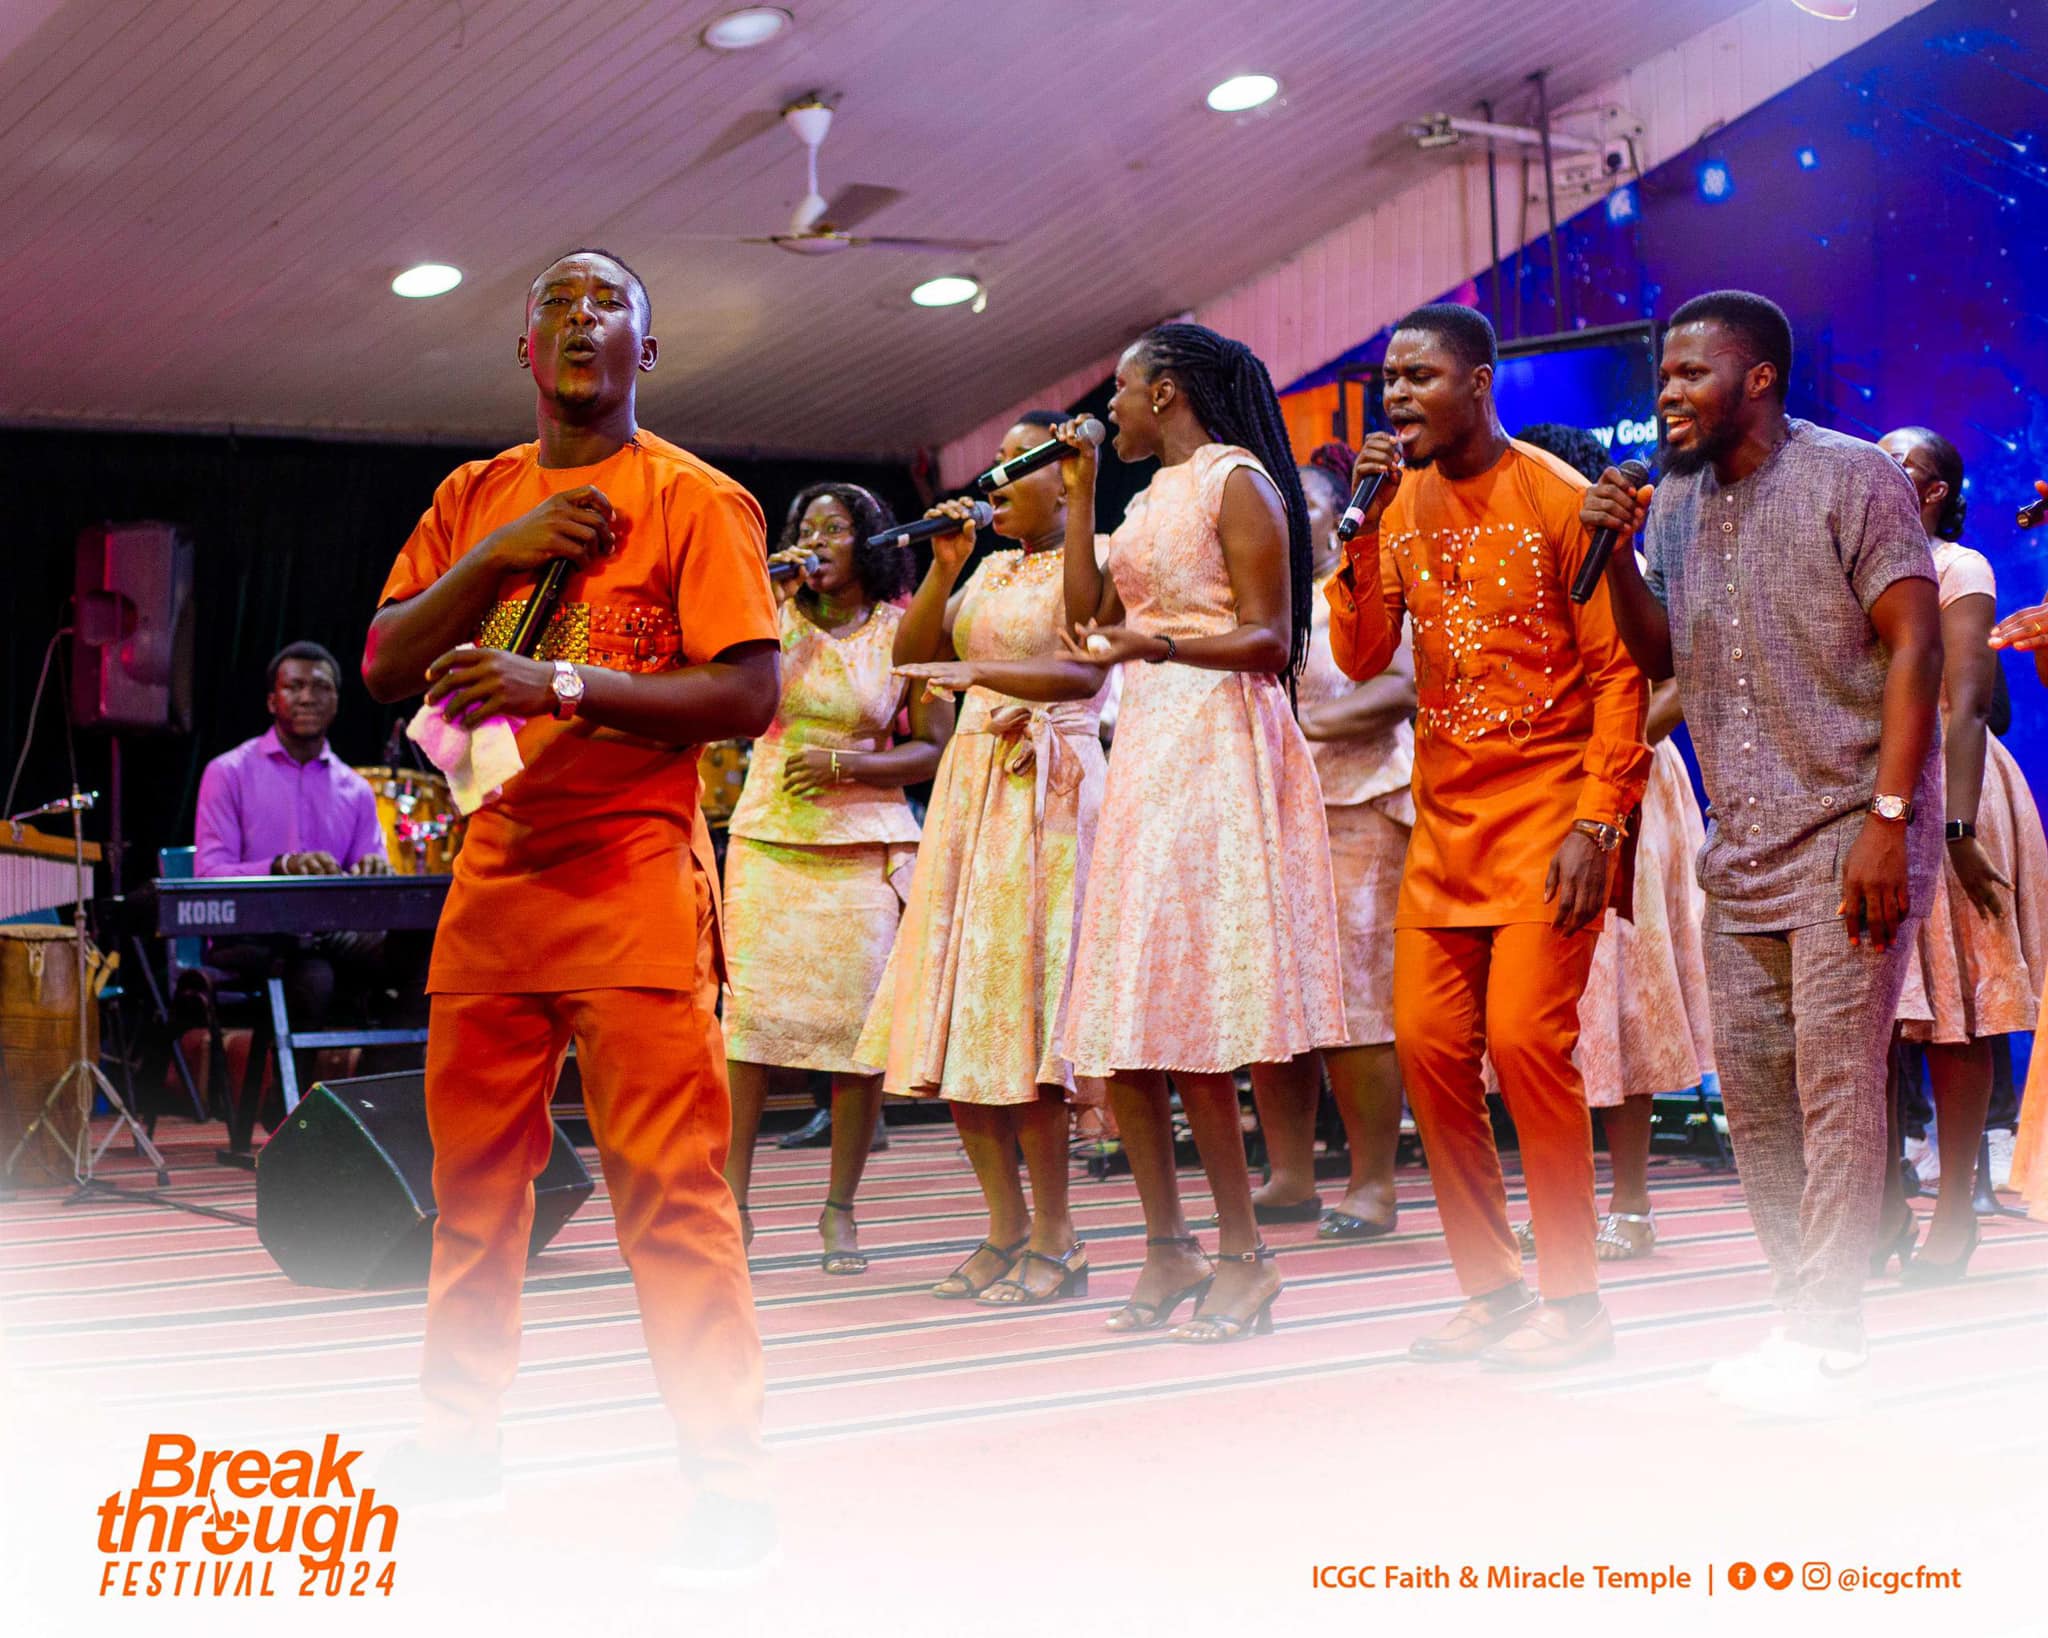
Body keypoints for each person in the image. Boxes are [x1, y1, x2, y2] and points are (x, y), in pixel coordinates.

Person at [360, 247, 783, 1580]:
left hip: (634, 877)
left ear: (645, 351)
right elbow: (384, 661)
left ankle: (728, 1480)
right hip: (495, 878)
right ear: (526, 352)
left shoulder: (695, 499)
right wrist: (500, 551)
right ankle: (457, 1439)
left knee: (671, 1195)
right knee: (473, 1192)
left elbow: (748, 695)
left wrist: (561, 685)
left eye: (610, 306)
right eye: (557, 304)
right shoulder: (471, 496)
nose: (582, 320)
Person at [1587, 289, 1942, 1416]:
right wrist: (1615, 556)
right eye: (1662, 375)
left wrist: (1889, 821)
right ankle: (1800, 1315)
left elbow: (1917, 648)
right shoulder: (1676, 501)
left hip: (1851, 830)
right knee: (1754, 1093)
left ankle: (1828, 1332)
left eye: (1691, 373)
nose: (1668, 393)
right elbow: (1659, 654)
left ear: (1758, 379)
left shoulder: (1852, 477)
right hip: (1740, 846)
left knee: (1835, 1085)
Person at [1326, 304, 1650, 1371]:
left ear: (1477, 383)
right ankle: (1494, 1291)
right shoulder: (1395, 506)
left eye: (1418, 376)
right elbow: (1361, 654)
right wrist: (1357, 533)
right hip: (1446, 829)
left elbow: (1617, 676)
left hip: (1553, 819)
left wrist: (1598, 821)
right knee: (1426, 1052)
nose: (1397, 396)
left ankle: (1575, 1303)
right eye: (1388, 379)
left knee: (1524, 1046)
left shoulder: (1556, 496)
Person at [1056, 322, 1347, 1345]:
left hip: (1220, 742)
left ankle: (1245, 1255)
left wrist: (1160, 643)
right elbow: (1084, 621)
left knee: (1193, 1014)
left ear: (1166, 391)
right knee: (1129, 1013)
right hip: (1149, 744)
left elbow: (1270, 638)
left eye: (1121, 389)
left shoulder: (1237, 480)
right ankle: (1166, 1244)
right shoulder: (1143, 498)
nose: (1109, 408)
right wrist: (1080, 495)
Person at [858, 411, 1111, 1304]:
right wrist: (944, 567)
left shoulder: (1097, 552)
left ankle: (1059, 1236)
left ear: (1060, 478)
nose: (993, 478)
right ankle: (1005, 1228)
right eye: (992, 462)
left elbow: (1087, 659)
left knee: (1024, 1021)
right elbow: (910, 660)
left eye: (1015, 462)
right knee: (963, 1014)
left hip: (1049, 790)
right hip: (972, 792)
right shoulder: (990, 567)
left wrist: (983, 677)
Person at [721, 482, 948, 1274]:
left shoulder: (904, 629)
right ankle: (732, 1204)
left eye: (835, 528)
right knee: (748, 1029)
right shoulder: (766, 617)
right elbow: (730, 708)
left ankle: (840, 1211)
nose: (816, 541)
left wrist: (849, 765)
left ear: (872, 543)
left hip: (862, 846)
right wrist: (768, 605)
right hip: (769, 840)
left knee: (858, 1036)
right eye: (805, 527)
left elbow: (933, 746)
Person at [1514, 423, 1718, 1265]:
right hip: (1532, 786)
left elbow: (1679, 677)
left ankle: (1630, 1203)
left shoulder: (1633, 554)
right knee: (1540, 1002)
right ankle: (1558, 1200)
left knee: (1621, 993)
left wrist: (1613, 753)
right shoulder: (1515, 557)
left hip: (1626, 788)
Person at [1876, 428, 2046, 1280]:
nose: (1875, 468)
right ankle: (1877, 1207)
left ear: (1935, 491)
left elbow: (1974, 710)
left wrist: (1959, 829)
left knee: (1955, 1009)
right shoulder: (1852, 566)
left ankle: (1954, 1210)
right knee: (1870, 1018)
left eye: (1897, 462)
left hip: (1951, 792)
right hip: (1869, 788)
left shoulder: (1958, 566)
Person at [1283, 442, 1415, 1240]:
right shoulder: (1264, 594)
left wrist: (1302, 725)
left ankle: (1373, 1184)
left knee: (1357, 997)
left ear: (1341, 515)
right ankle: (1290, 1174)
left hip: (1360, 802)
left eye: (1304, 502)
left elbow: (1402, 686)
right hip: (1277, 810)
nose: (1289, 516)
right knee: (1281, 996)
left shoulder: (1369, 580)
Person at [193, 642, 407, 1100]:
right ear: (273, 701)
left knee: (420, 961)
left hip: (328, 934)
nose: (307, 696)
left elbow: (370, 883)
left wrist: (374, 870)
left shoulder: (355, 789)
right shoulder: (228, 772)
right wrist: (280, 866)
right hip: (251, 936)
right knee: (313, 974)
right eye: (294, 687)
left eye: (320, 687)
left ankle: (380, 1098)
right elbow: (209, 874)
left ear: (337, 701)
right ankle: (289, 1113)